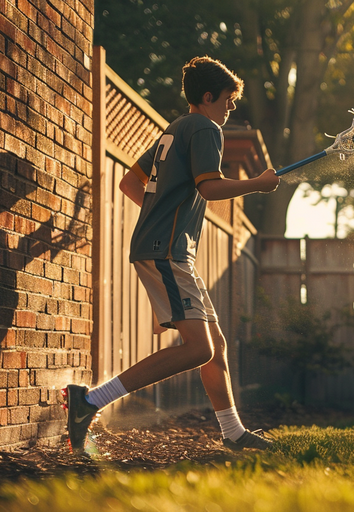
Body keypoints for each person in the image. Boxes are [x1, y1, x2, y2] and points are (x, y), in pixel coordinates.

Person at [64, 56, 280, 454]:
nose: (231, 108)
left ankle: (233, 433)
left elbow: (131, 182)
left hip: (170, 251)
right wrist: (258, 184)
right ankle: (90, 401)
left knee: (214, 343)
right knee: (201, 349)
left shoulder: (175, 129)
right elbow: (210, 188)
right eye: (229, 100)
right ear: (209, 96)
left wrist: (158, 217)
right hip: (168, 251)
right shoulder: (205, 128)